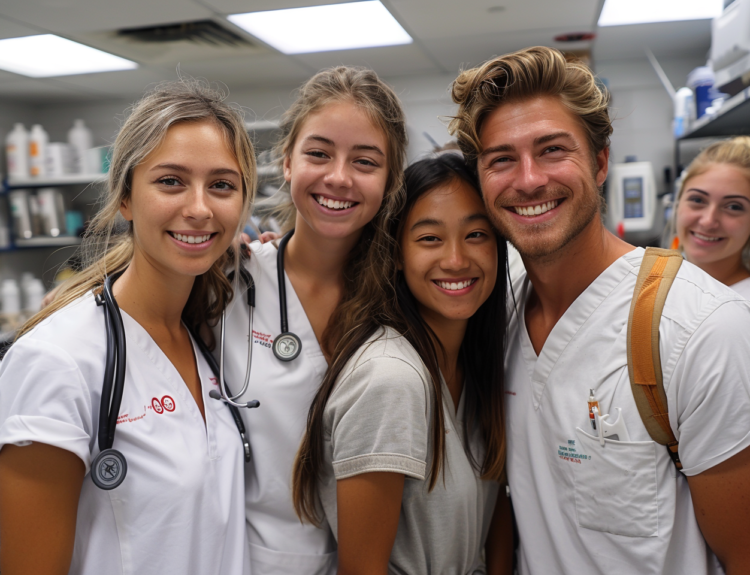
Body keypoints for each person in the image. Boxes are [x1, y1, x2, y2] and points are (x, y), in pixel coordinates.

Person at [449, 46, 750, 574]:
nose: (528, 180)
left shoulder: (700, 329)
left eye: (552, 150)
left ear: (601, 160)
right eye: (501, 159)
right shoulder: (494, 316)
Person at [0, 80, 256, 575]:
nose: (200, 207)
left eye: (222, 185)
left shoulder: (204, 335)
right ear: (124, 198)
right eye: (171, 181)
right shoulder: (58, 361)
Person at [218, 66, 407, 574]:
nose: (338, 177)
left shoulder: (407, 297)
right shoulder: (228, 283)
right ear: (286, 161)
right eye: (318, 153)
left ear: (390, 181)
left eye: (364, 161)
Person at [291, 154, 513, 575]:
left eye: (476, 234)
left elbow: (495, 506)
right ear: (396, 254)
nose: (456, 259)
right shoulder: (390, 380)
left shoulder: (473, 365)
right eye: (430, 238)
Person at [670, 137, 750, 299]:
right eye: (697, 200)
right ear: (678, 203)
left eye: (733, 207)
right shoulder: (652, 286)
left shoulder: (743, 307)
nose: (708, 221)